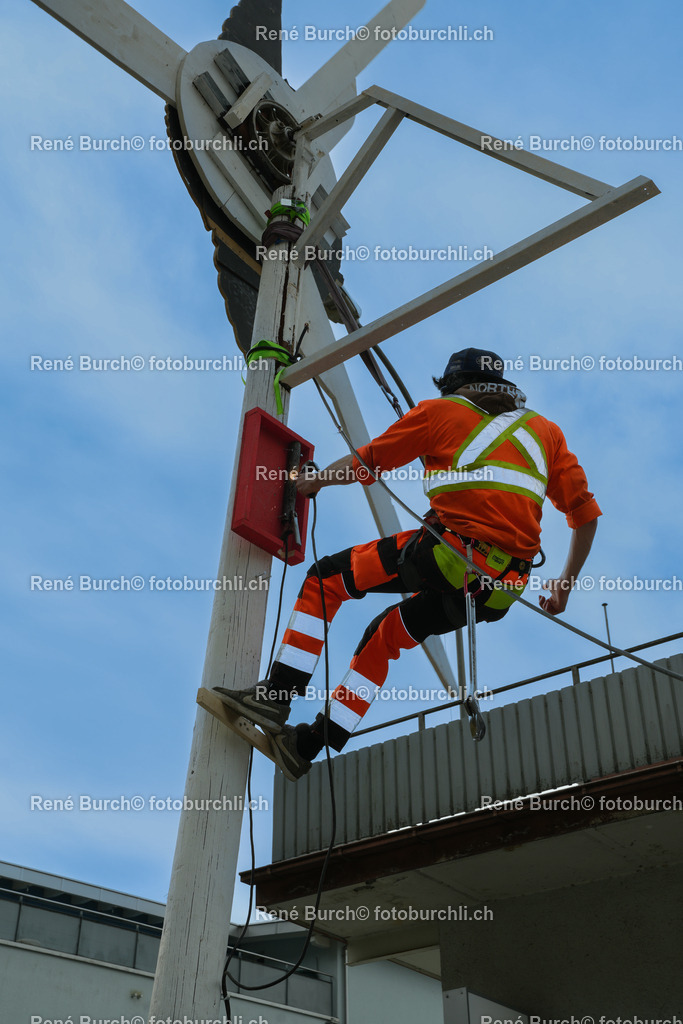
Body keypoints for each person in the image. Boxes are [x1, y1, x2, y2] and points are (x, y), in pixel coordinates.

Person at [214, 348, 601, 780]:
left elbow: (369, 461)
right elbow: (585, 517)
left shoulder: (439, 412)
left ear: (454, 384)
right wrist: (563, 588)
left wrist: (313, 481)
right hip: (501, 591)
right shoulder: (545, 432)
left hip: (448, 557)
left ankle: (276, 696)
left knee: (326, 580)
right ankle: (304, 747)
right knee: (385, 637)